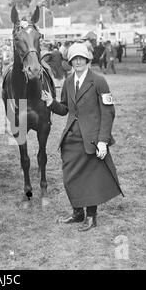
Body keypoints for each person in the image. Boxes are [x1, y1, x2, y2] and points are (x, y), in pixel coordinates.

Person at [41, 42, 123, 232]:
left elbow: (108, 113)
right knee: (70, 176)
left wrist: (103, 141)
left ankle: (91, 217)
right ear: (69, 61)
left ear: (87, 60)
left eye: (81, 58)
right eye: (74, 59)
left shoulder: (99, 81)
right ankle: (77, 213)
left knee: (90, 177)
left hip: (92, 139)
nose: (78, 62)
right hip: (70, 138)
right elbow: (65, 109)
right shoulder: (69, 82)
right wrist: (51, 102)